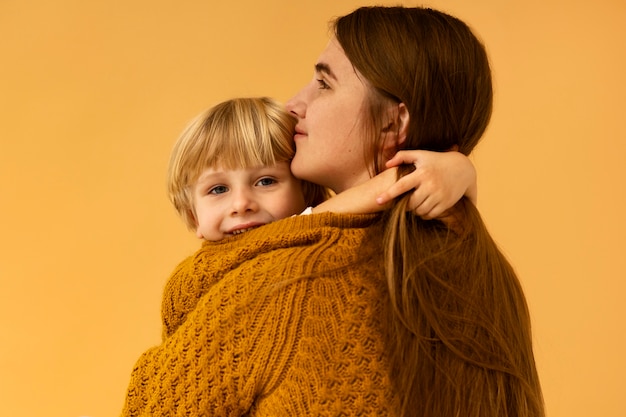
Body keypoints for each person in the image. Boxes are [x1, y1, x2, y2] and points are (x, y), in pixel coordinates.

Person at [121, 6, 544, 417]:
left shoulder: (283, 286)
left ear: (394, 124)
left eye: (323, 85)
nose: (293, 104)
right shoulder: (492, 278)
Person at [161, 96, 472, 339]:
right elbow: (387, 189)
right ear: (193, 216)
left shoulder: (317, 244)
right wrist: (460, 168)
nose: (241, 204)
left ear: (306, 192)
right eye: (218, 189)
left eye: (266, 181)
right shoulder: (191, 281)